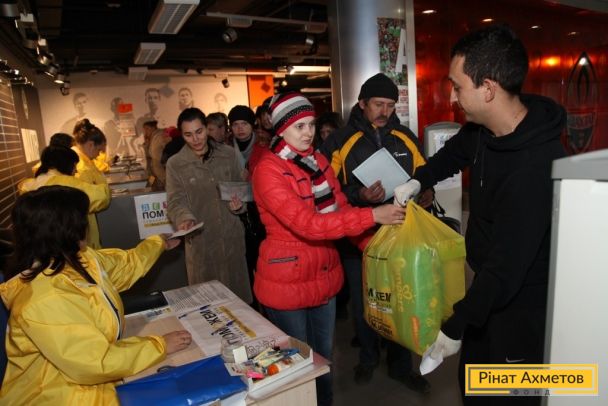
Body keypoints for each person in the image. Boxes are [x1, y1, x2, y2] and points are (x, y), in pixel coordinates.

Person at [393, 25, 567, 405]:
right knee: (472, 387)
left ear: (488, 88)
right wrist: (418, 180)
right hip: (486, 294)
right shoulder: (482, 131)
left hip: (520, 309)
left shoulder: (535, 166)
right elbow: (453, 154)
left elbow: (507, 268)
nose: (452, 97)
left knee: (507, 396)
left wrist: (457, 324)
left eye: (457, 87)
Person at [252, 92, 406, 406]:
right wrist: (372, 215)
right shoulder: (268, 170)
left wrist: (374, 248)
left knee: (322, 359)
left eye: (311, 124)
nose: (308, 133)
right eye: (299, 127)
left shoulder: (318, 162)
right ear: (280, 128)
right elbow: (307, 224)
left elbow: (340, 209)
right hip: (286, 281)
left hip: (324, 274)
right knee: (296, 365)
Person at [0, 185, 191, 404]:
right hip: (56, 394)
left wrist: (158, 244)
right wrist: (160, 346)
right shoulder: (45, 298)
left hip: (86, 378)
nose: (87, 225)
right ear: (66, 228)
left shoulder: (77, 259)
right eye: (82, 218)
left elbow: (123, 266)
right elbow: (92, 362)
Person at [320, 73, 433, 393]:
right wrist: (359, 195)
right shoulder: (339, 141)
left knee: (402, 301)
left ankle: (401, 366)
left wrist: (428, 191)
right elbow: (325, 190)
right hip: (357, 237)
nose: (384, 111)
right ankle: (368, 359)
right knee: (364, 303)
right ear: (362, 104)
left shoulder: (405, 137)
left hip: (400, 235)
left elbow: (425, 173)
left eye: (390, 105)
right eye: (378, 104)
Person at [165, 108, 252, 303]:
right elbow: (175, 201)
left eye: (199, 131)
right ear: (182, 135)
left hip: (231, 240)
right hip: (202, 243)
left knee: (240, 306)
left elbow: (240, 189)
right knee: (209, 306)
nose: (195, 139)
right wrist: (184, 218)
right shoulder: (176, 164)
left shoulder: (228, 155)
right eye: (188, 134)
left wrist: (239, 205)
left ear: (206, 128)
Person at [19, 146, 111, 233]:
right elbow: (102, 196)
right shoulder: (66, 184)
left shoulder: (27, 185)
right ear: (66, 164)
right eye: (74, 166)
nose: (76, 171)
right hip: (66, 239)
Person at [71, 118, 110, 249]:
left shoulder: (82, 161)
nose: (98, 156)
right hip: (84, 229)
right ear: (91, 145)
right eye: (99, 150)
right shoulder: (82, 167)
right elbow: (88, 200)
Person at [228, 105, 257, 175]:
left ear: (252, 125)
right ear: (231, 127)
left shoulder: (263, 144)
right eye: (235, 124)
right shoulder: (226, 147)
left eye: (244, 123)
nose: (240, 128)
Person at [142, 120, 170, 190]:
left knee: (166, 192)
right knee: (150, 190)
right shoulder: (152, 138)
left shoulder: (161, 136)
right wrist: (146, 144)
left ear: (153, 128)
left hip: (163, 175)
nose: (145, 132)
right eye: (145, 130)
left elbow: (170, 152)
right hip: (154, 174)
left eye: (147, 129)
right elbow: (149, 156)